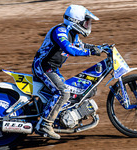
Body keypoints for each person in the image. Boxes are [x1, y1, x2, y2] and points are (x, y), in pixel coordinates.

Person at [32, 4, 101, 139]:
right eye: (85, 21)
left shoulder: (72, 34)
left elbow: (81, 45)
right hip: (43, 67)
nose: (87, 25)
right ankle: (45, 124)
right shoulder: (60, 31)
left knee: (71, 92)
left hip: (52, 69)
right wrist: (89, 52)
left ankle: (57, 117)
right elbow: (69, 49)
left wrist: (100, 48)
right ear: (76, 21)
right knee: (63, 92)